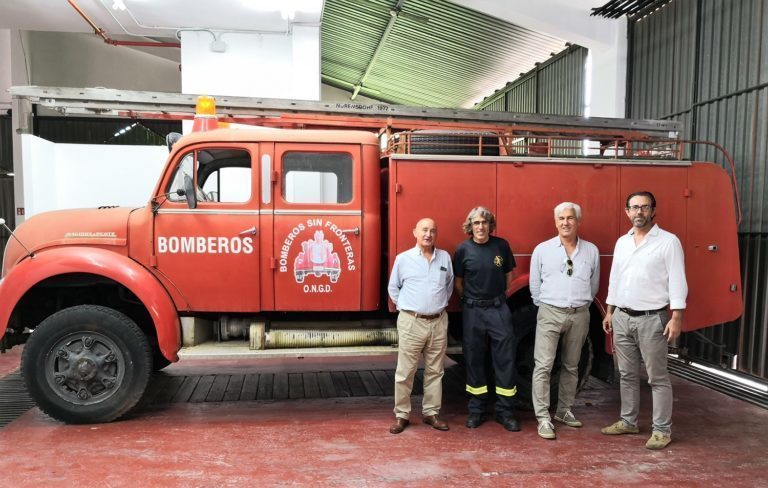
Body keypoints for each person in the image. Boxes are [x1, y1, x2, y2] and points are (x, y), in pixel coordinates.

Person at [601, 191, 687, 450]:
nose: (639, 212)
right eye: (634, 207)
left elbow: (677, 280)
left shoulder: (668, 242)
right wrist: (609, 310)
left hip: (653, 319)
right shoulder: (622, 242)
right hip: (623, 317)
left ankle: (662, 430)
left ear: (653, 211)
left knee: (657, 377)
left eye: (644, 207)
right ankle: (628, 421)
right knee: (626, 374)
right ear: (627, 211)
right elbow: (615, 279)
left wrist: (677, 316)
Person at [529, 202, 600, 440]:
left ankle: (563, 410)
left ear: (578, 221)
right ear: (555, 222)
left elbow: (593, 284)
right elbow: (535, 284)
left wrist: (582, 304)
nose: (566, 222)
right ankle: (543, 417)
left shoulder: (591, 250)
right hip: (550, 311)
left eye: (570, 218)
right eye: (561, 218)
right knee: (544, 366)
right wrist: (546, 305)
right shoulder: (543, 249)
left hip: (579, 313)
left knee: (572, 365)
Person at [453, 206, 520, 431]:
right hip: (473, 311)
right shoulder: (463, 249)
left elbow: (508, 278)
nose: (480, 227)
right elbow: (458, 284)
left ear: (490, 225)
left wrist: (494, 299)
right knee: (474, 359)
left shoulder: (501, 246)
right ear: (470, 226)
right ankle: (476, 410)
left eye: (484, 222)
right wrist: (472, 302)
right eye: (476, 223)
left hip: (498, 309)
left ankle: (505, 412)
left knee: (505, 359)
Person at [387, 217, 454, 434]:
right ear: (414, 232)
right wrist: (410, 309)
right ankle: (402, 415)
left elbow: (449, 286)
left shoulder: (444, 257)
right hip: (411, 322)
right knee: (405, 371)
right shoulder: (403, 259)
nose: (428, 234)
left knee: (436, 370)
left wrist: (435, 307)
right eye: (424, 230)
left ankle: (431, 413)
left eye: (433, 230)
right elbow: (393, 288)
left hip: (438, 321)